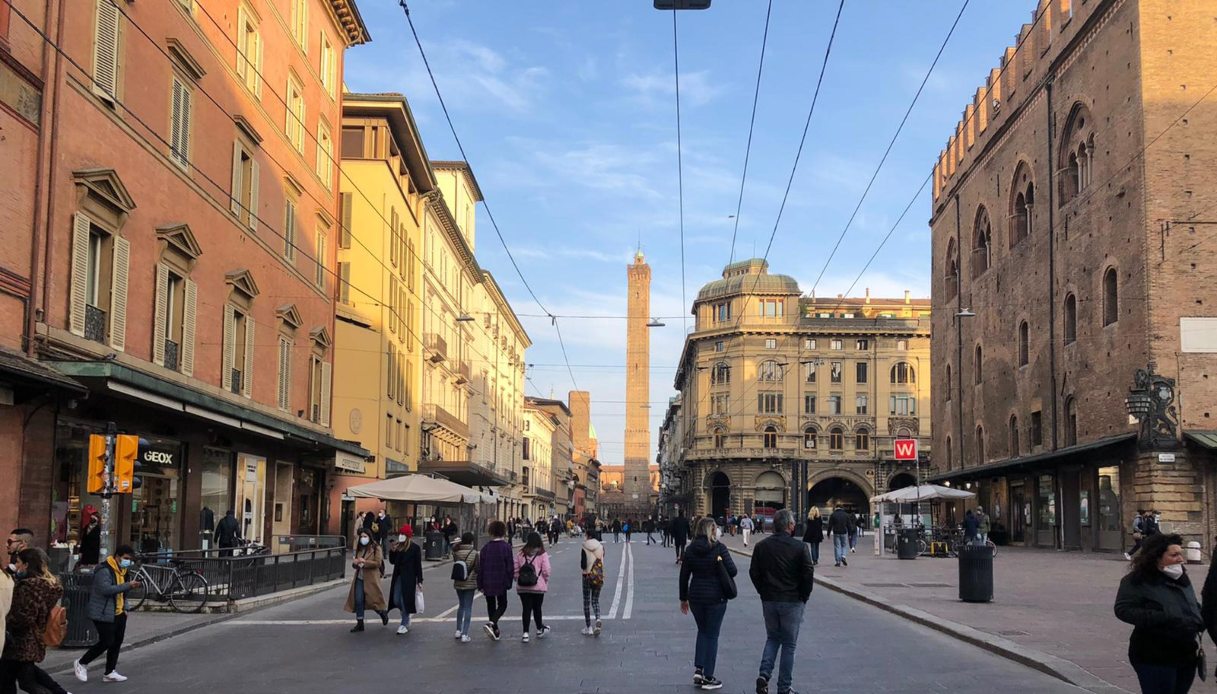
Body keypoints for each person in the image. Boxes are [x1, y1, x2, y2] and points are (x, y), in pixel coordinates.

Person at [1115, 533, 1203, 694]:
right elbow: (1123, 610)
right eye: (1174, 555)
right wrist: (1162, 617)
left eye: (1180, 554)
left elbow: (1190, 603)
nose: (1180, 559)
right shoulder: (1136, 581)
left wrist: (1199, 616)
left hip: (1186, 653)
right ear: (1156, 557)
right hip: (1154, 654)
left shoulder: (1181, 578)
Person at [750, 509, 814, 694]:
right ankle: (784, 687)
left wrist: (763, 591)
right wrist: (804, 595)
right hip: (792, 600)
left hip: (769, 599)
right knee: (789, 644)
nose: (794, 526)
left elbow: (754, 573)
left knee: (772, 638)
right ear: (789, 526)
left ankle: (764, 674)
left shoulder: (761, 546)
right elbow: (808, 573)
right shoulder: (800, 547)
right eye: (793, 523)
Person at [1, 548, 69, 694]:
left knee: (26, 683)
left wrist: (7, 620)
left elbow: (24, 616)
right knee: (11, 678)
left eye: (18, 562)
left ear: (26, 564)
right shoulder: (48, 585)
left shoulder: (29, 586)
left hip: (21, 641)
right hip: (32, 639)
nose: (16, 565)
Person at [679, 516, 736, 691]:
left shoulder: (690, 550)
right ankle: (709, 677)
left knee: (702, 631)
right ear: (712, 531)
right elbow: (733, 571)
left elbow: (684, 576)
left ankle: (698, 669)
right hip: (716, 598)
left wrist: (683, 598)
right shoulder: (719, 548)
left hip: (696, 597)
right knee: (712, 635)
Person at [74, 544, 141, 683]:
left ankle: (110, 671)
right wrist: (128, 585)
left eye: (130, 559)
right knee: (107, 641)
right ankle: (82, 662)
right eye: (125, 558)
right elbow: (105, 589)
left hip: (119, 612)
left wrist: (126, 608)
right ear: (117, 556)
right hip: (103, 612)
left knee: (116, 642)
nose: (128, 561)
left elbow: (123, 594)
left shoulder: (123, 571)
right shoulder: (104, 570)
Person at [344, 528, 389, 632]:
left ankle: (382, 613)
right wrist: (355, 562)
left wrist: (365, 562)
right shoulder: (360, 548)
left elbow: (378, 563)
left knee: (372, 601)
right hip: (360, 577)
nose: (363, 538)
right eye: (362, 537)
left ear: (369, 537)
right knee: (359, 600)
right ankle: (360, 623)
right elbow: (355, 563)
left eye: (365, 536)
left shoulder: (376, 547)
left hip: (371, 578)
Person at [478, 520, 514, 641]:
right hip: (501, 580)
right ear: (503, 532)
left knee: (491, 605)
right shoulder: (506, 547)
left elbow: (480, 568)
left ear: (491, 532)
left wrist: (480, 583)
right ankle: (492, 623)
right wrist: (509, 581)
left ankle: (495, 629)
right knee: (503, 604)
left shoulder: (485, 548)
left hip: (488, 580)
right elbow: (510, 566)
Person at [514, 532, 552, 642]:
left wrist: (518, 579)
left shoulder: (521, 553)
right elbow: (546, 570)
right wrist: (544, 580)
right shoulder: (542, 554)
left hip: (523, 586)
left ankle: (525, 633)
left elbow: (515, 569)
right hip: (538, 586)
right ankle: (539, 628)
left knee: (526, 609)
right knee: (537, 608)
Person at [387, 525, 422, 635]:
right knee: (396, 599)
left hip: (409, 578)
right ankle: (406, 613)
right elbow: (392, 562)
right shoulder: (398, 548)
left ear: (408, 536)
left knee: (404, 600)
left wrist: (419, 580)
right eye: (400, 534)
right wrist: (392, 551)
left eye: (403, 534)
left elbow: (418, 565)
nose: (400, 536)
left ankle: (404, 623)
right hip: (398, 577)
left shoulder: (415, 548)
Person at [451, 532, 479, 643]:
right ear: (472, 541)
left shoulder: (456, 552)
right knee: (468, 607)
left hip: (458, 582)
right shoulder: (475, 553)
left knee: (461, 605)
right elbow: (477, 569)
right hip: (470, 583)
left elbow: (453, 551)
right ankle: (465, 634)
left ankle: (458, 630)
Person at [580, 534, 605, 637]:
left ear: (588, 536)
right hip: (598, 576)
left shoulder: (584, 546)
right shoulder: (601, 546)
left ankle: (588, 627)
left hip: (587, 575)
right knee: (595, 600)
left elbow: (583, 564)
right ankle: (598, 618)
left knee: (586, 601)